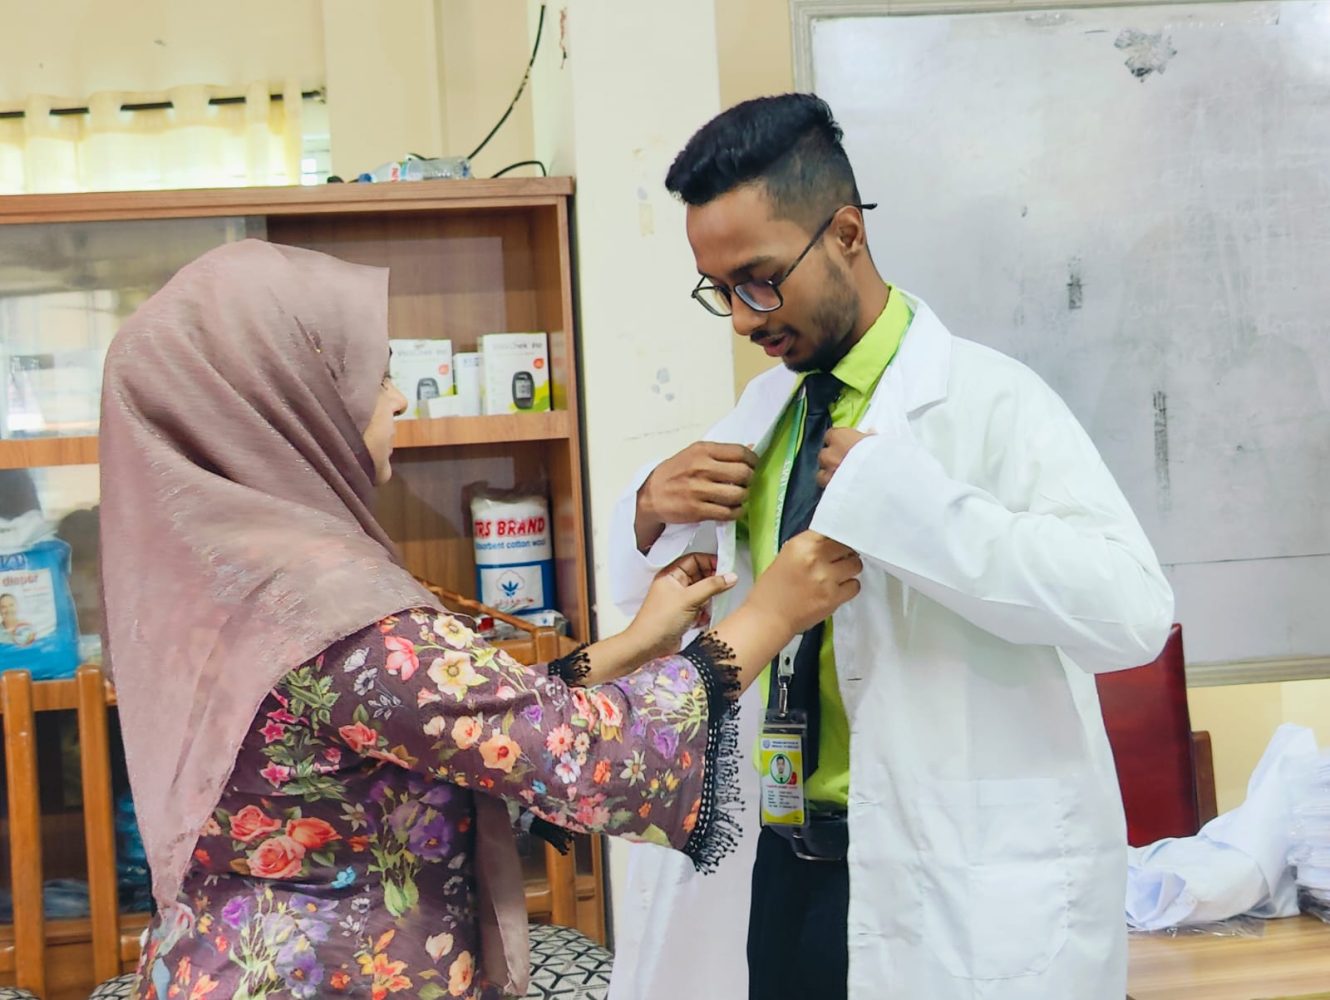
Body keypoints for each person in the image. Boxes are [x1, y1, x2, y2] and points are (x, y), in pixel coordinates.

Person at [98, 239, 862, 1000]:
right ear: (285, 399)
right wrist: (771, 613)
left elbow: (453, 724)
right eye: (374, 375)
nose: (399, 400)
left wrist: (636, 645)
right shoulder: (322, 603)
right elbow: (580, 754)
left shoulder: (227, 576)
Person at [608, 94, 1174, 1000]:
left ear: (845, 234)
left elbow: (1131, 613)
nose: (744, 320)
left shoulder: (994, 403)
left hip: (948, 886)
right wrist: (645, 513)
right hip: (777, 872)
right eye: (720, 291)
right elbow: (678, 625)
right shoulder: (763, 417)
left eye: (759, 281)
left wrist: (918, 512)